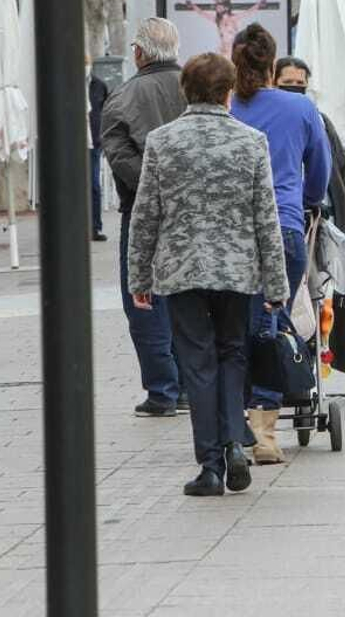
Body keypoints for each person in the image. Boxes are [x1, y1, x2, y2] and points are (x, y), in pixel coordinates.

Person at [127, 53, 287, 497]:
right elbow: (265, 219)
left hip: (181, 272)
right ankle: (236, 440)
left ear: (186, 91)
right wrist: (276, 284)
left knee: (196, 364)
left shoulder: (162, 142)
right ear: (227, 92)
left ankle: (211, 465)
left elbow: (145, 217)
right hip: (238, 272)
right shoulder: (252, 141)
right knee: (233, 353)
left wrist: (138, 277)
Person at [228, 24, 331, 463]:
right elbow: (321, 170)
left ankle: (234, 425)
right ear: (273, 66)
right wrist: (307, 202)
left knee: (233, 330)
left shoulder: (224, 107)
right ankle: (266, 432)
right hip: (284, 227)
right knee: (271, 324)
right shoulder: (300, 108)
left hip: (229, 234)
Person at [101, 17, 187, 416]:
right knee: (191, 295)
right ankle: (189, 385)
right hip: (198, 211)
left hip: (143, 214)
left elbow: (120, 159)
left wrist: (156, 190)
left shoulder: (121, 98)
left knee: (144, 298)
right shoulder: (198, 85)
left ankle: (162, 390)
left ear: (138, 52)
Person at [274, 57, 345, 238]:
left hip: (327, 219)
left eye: (300, 82)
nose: (294, 86)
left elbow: (340, 169)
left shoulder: (320, 121)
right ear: (274, 84)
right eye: (287, 82)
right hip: (287, 217)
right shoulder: (272, 122)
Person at [87, 60, 109, 242]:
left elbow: (107, 112)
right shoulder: (69, 84)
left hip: (94, 142)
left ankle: (95, 227)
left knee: (94, 184)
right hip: (73, 143)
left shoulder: (99, 85)